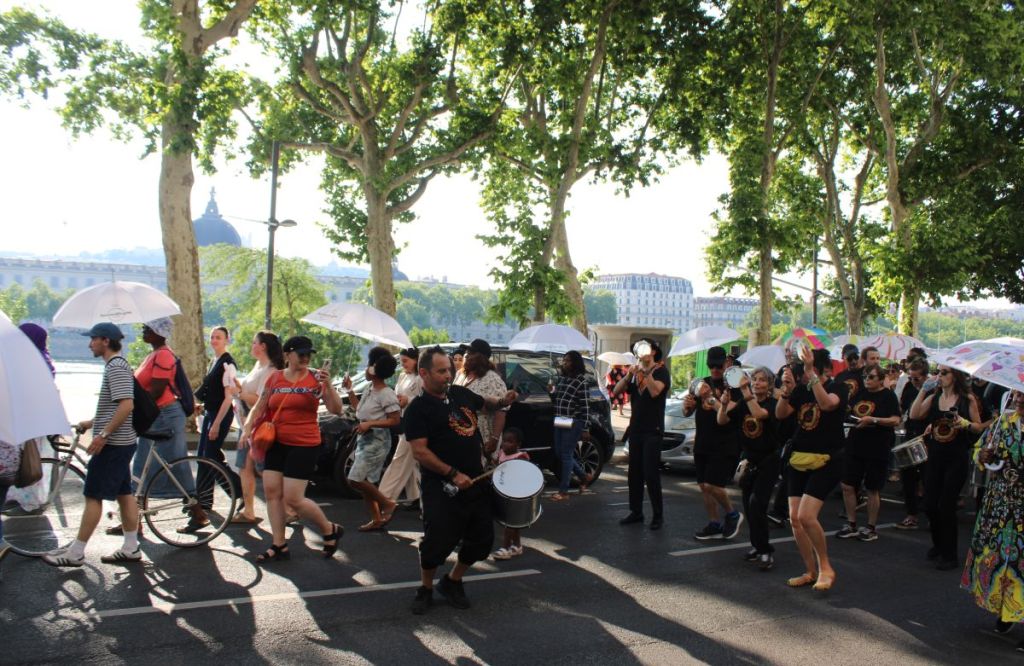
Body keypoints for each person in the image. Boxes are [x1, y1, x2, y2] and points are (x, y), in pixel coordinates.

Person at [406, 346, 517, 614]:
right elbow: (419, 451)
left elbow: (485, 404)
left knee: (481, 540)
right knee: (436, 542)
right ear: (424, 373)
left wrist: (503, 401)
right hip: (441, 486)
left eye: (449, 370)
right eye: (441, 371)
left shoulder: (459, 393)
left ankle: (453, 580)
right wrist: (452, 474)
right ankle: (426, 588)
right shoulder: (417, 410)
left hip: (475, 481)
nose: (448, 375)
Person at [43, 323, 142, 567]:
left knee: (93, 495)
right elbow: (114, 405)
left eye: (93, 339)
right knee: (124, 493)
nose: (89, 344)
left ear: (105, 341)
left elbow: (126, 405)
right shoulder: (117, 365)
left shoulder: (116, 367)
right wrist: (92, 422)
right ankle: (131, 547)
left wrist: (103, 435)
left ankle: (76, 552)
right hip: (122, 442)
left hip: (114, 444)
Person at [242, 336, 345, 562]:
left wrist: (327, 386)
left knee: (293, 499)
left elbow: (336, 409)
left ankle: (329, 529)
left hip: (304, 444)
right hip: (276, 441)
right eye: (301, 354)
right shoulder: (275, 378)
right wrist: (247, 427)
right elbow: (260, 405)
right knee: (271, 492)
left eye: (309, 354)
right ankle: (279, 544)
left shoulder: (316, 378)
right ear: (288, 355)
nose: (306, 358)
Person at [776, 346, 847, 591]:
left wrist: (811, 375)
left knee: (807, 516)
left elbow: (827, 405)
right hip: (800, 458)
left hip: (827, 460)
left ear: (817, 368)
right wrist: (786, 391)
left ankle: (826, 567)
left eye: (806, 368)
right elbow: (781, 413)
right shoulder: (802, 389)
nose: (802, 373)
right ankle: (809, 570)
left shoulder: (838, 387)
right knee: (795, 518)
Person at [121, 318, 199, 535]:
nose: (143, 330)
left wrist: (129, 407)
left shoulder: (163, 354)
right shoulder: (153, 354)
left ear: (159, 333)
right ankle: (133, 520)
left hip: (165, 415)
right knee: (141, 466)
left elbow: (156, 390)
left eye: (148, 328)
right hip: (155, 415)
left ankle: (197, 511)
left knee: (175, 464)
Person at [962, 390, 1024, 651]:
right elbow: (980, 455)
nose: (1019, 400)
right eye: (1017, 395)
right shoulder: (1003, 423)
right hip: (1001, 506)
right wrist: (985, 458)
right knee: (1002, 559)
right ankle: (1006, 610)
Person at [910, 365, 983, 571]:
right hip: (934, 458)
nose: (940, 377)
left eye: (944, 373)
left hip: (956, 459)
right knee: (930, 505)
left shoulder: (966, 399)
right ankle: (939, 544)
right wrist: (924, 389)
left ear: (955, 376)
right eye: (939, 373)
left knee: (946, 506)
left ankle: (949, 554)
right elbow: (914, 414)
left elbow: (978, 426)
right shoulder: (934, 398)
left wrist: (965, 423)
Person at [719, 367, 778, 570]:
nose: (756, 383)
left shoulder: (773, 404)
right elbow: (722, 420)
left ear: (770, 385)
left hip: (768, 461)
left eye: (762, 380)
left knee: (757, 504)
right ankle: (757, 546)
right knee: (748, 506)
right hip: (749, 461)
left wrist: (745, 391)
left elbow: (760, 415)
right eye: (754, 379)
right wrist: (724, 404)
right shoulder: (744, 403)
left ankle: (765, 551)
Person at [836, 364, 901, 542]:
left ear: (881, 379)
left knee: (872, 488)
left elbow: (896, 419)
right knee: (847, 485)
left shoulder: (888, 396)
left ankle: (871, 527)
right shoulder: (859, 394)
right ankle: (851, 524)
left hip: (877, 446)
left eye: (871, 377)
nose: (867, 380)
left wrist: (873, 419)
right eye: (865, 377)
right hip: (855, 444)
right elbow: (849, 411)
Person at [684, 345, 743, 540]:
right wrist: (689, 405)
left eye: (718, 366)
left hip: (724, 444)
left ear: (726, 363)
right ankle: (714, 523)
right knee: (703, 486)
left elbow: (732, 413)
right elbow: (687, 410)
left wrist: (710, 398)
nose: (715, 370)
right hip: (702, 442)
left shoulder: (734, 387)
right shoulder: (703, 383)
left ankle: (733, 514)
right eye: (711, 366)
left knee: (713, 485)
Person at [343, 347, 402, 531]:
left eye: (369, 365)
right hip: (365, 440)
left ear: (375, 369)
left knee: (355, 478)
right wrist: (350, 390)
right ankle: (376, 518)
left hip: (377, 442)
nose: (366, 369)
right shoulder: (370, 388)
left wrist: (370, 424)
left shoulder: (386, 393)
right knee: (366, 481)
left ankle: (387, 504)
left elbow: (395, 420)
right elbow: (359, 410)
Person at [614, 339, 670, 530]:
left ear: (654, 351)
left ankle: (658, 515)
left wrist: (646, 373)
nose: (642, 352)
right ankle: (636, 512)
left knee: (650, 473)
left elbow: (655, 392)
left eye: (645, 348)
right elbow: (616, 390)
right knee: (634, 474)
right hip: (636, 429)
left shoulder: (661, 371)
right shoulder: (635, 374)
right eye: (639, 349)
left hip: (653, 430)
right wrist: (628, 375)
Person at [189, 326, 241, 531]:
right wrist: (204, 406)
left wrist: (217, 424)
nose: (214, 340)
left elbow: (228, 398)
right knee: (206, 456)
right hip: (211, 413)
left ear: (227, 340)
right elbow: (215, 392)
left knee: (209, 457)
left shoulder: (227, 363)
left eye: (218, 337)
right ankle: (205, 500)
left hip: (220, 415)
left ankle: (236, 491)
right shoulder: (215, 362)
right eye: (212, 337)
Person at [231, 330, 284, 524]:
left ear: (262, 346)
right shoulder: (258, 366)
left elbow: (261, 401)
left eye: (254, 343)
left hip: (257, 426)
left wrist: (240, 392)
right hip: (246, 424)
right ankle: (249, 510)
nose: (251, 346)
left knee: (263, 469)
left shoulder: (270, 371)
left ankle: (288, 507)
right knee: (245, 467)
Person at [378, 347, 424, 508]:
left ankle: (384, 495)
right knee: (410, 462)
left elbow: (424, 399)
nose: (403, 364)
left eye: (405, 361)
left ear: (416, 360)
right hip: (403, 419)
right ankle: (415, 495)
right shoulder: (403, 376)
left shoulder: (421, 378)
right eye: (401, 361)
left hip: (415, 423)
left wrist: (408, 400)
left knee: (400, 459)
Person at [453, 339, 509, 463]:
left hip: (482, 435)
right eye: (466, 352)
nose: (466, 355)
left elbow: (501, 412)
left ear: (481, 358)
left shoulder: (492, 379)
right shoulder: (460, 375)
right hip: (459, 433)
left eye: (470, 352)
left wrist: (494, 439)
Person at [550, 350, 593, 501]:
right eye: (564, 360)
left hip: (574, 421)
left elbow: (585, 406)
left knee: (566, 455)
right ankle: (583, 476)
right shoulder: (563, 379)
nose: (565, 363)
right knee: (560, 453)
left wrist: (585, 428)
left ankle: (564, 491)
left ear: (575, 363)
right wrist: (552, 392)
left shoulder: (582, 381)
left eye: (568, 361)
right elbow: (558, 399)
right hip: (560, 419)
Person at [895, 357, 929, 530]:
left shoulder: (931, 390)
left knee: (927, 478)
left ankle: (931, 514)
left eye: (917, 378)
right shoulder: (909, 388)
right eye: (911, 377)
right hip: (910, 434)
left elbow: (920, 414)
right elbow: (903, 409)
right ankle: (911, 514)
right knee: (907, 477)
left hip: (926, 436)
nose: (913, 381)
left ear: (925, 376)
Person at [491, 427, 529, 560]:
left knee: (510, 523)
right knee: (514, 523)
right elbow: (497, 467)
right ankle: (517, 546)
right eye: (505, 441)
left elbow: (525, 474)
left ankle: (505, 548)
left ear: (518, 444)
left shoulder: (521, 457)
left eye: (510, 442)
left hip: (516, 495)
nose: (505, 444)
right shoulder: (502, 453)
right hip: (504, 492)